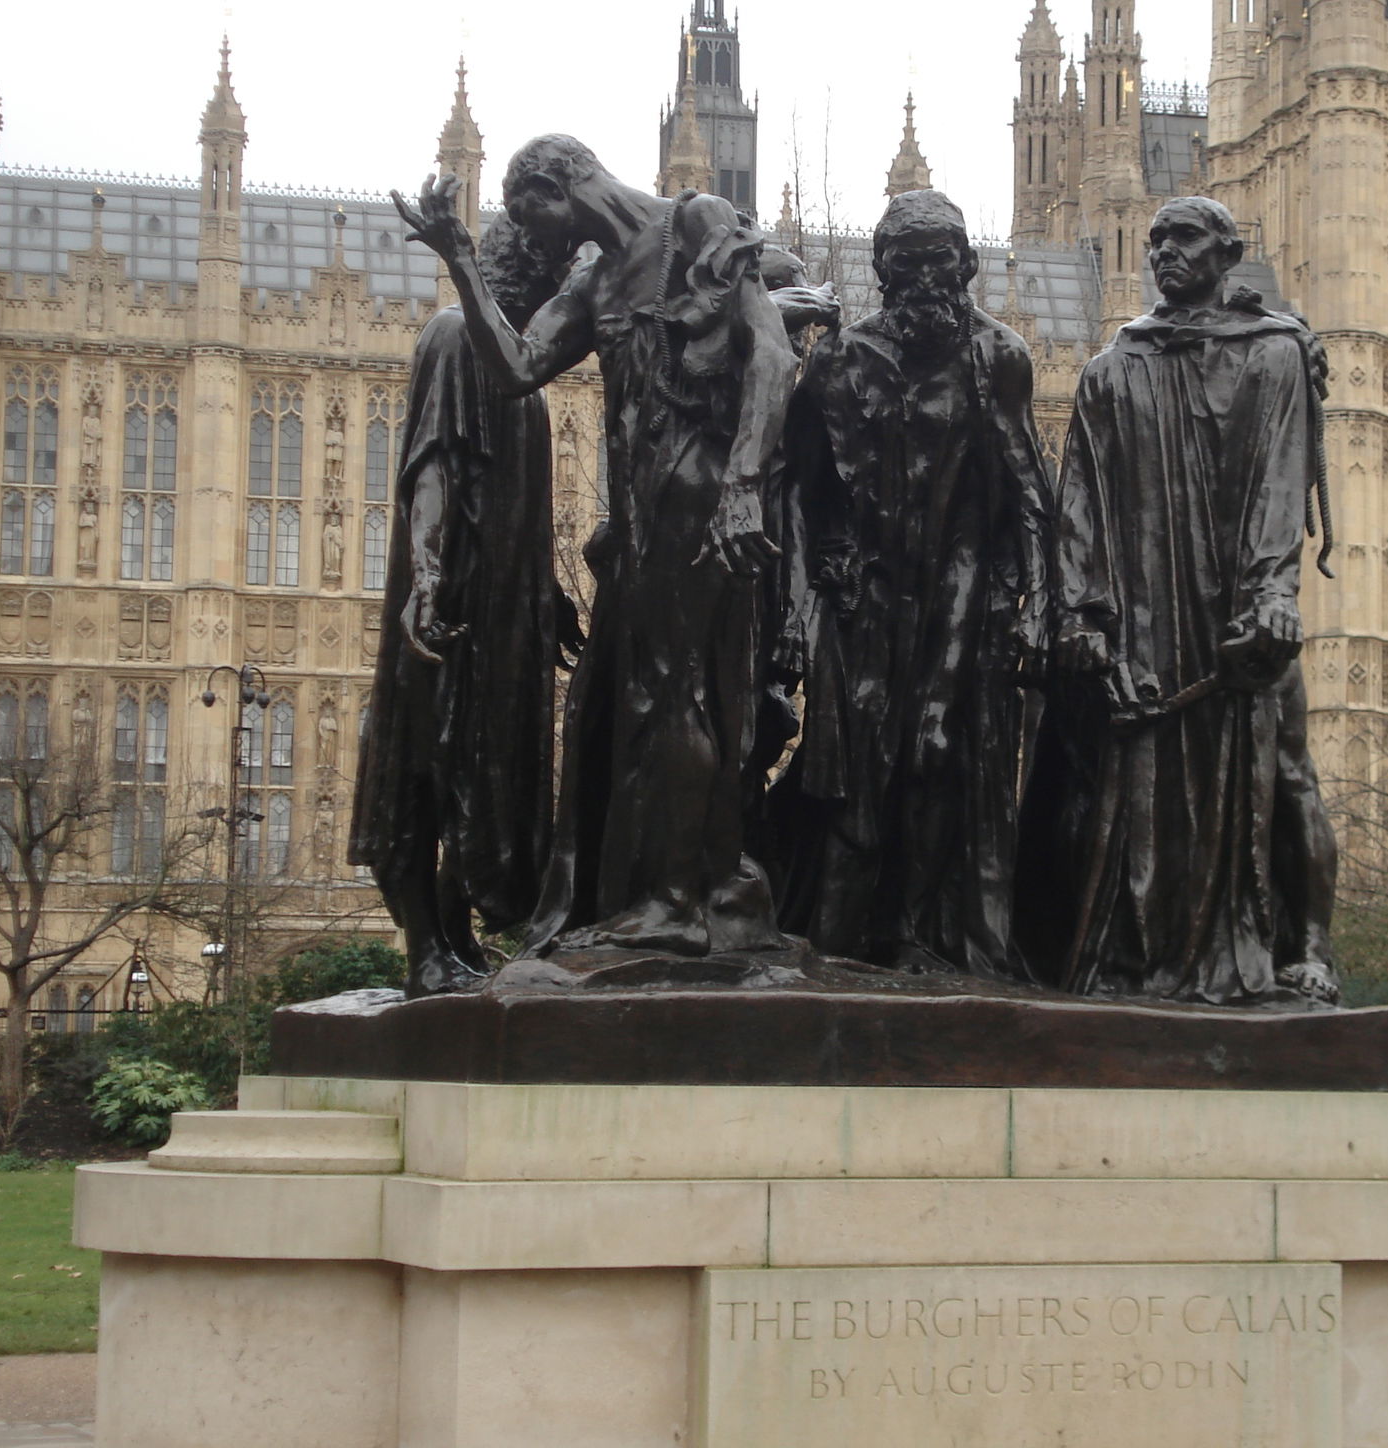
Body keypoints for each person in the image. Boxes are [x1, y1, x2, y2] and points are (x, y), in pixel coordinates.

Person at [395, 137, 797, 957]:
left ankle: (680, 904)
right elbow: (514, 366)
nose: (530, 237)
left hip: (701, 498)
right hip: (640, 520)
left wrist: (744, 486)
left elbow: (774, 356)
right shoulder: (593, 278)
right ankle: (651, 891)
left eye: (528, 211)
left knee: (678, 694)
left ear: (562, 184)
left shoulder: (697, 225)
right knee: (623, 704)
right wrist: (461, 262)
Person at [1016, 196, 1340, 1005]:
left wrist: (1271, 590)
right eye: (1155, 238)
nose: (1165, 251)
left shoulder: (1273, 358)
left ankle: (1307, 949)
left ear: (1226, 253)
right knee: (1128, 792)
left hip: (1241, 615)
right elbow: (1079, 502)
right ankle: (1135, 952)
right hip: (1147, 622)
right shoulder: (1112, 367)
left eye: (1184, 238)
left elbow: (1278, 479)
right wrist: (1081, 614)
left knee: (1287, 775)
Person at [772, 190, 1053, 975]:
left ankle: (920, 940)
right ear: (883, 271)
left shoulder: (999, 359)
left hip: (961, 602)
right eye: (907, 263)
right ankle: (835, 945)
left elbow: (1031, 497)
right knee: (853, 782)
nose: (927, 278)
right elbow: (793, 487)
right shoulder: (840, 363)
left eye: (941, 260)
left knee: (937, 760)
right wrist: (797, 604)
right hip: (861, 602)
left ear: (965, 265)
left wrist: (1043, 607)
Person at [349, 214, 578, 996]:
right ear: (531, 271)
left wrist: (546, 595)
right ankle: (424, 951)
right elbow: (433, 469)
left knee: (484, 777)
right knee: (423, 764)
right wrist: (424, 579)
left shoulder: (524, 382)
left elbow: (517, 503)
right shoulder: (455, 337)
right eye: (555, 277)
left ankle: (454, 936)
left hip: (506, 614)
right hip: (450, 599)